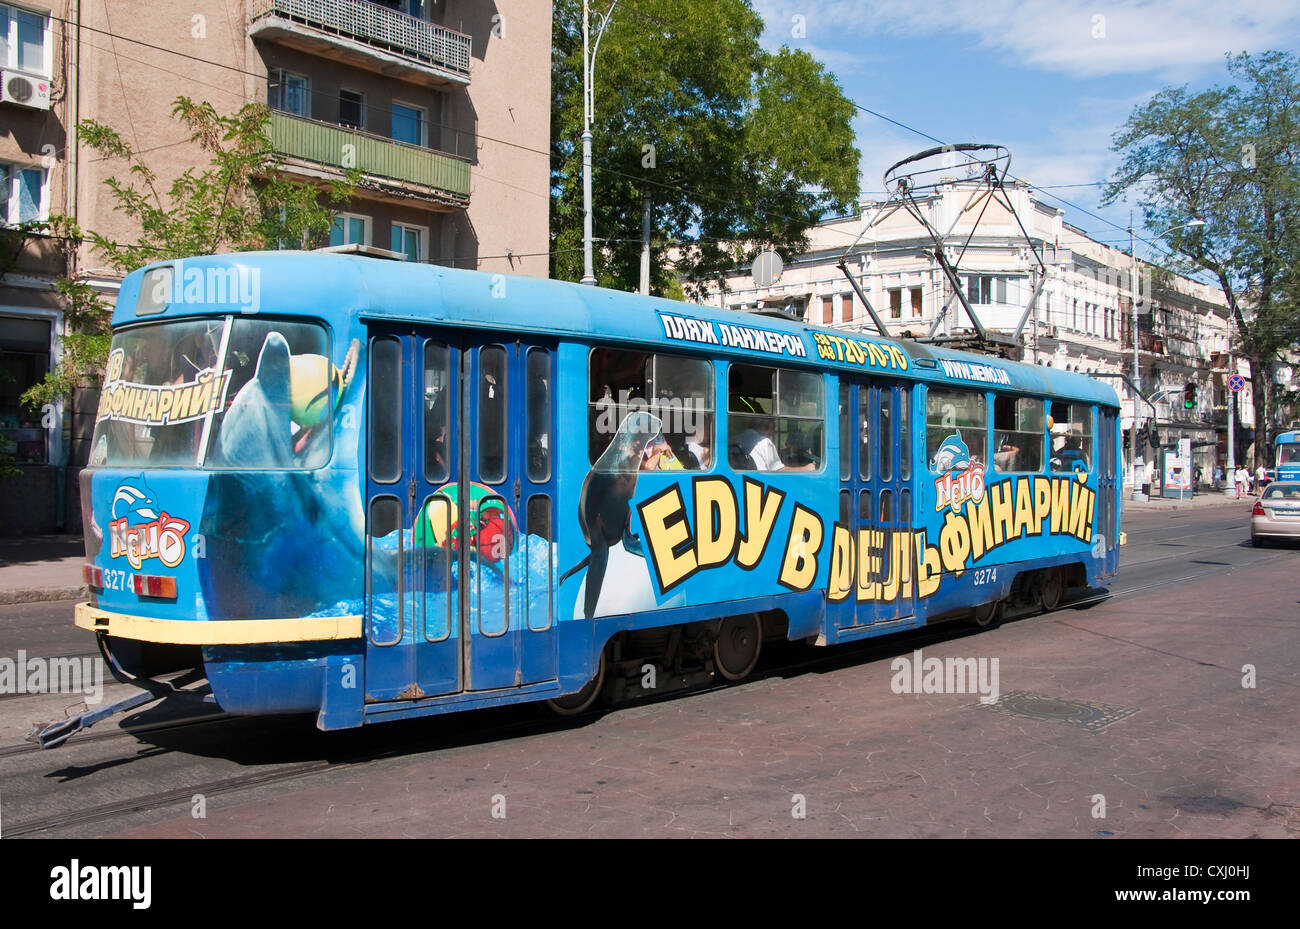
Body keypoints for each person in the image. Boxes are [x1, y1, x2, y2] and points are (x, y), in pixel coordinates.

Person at [732, 418, 815, 472]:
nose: (773, 433)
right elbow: (779, 470)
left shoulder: (736, 438)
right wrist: (806, 468)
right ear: (762, 427)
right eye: (772, 429)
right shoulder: (764, 441)